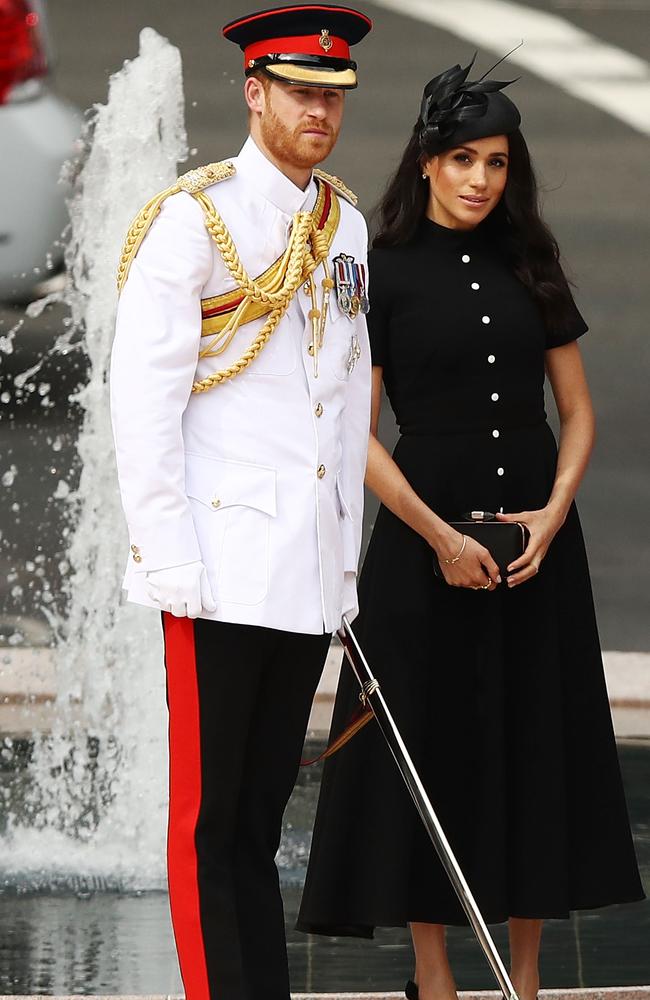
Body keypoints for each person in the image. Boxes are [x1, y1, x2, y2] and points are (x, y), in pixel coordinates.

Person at [297, 58, 645, 1000]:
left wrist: (555, 511)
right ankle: (435, 979)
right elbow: (353, 431)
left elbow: (575, 412)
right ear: (425, 163)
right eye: (460, 159)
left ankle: (524, 979)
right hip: (421, 541)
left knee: (539, 741)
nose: (479, 180)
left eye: (495, 162)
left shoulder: (532, 259)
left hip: (538, 543)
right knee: (426, 749)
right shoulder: (377, 267)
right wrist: (438, 536)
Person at [110, 6, 372, 999]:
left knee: (257, 823)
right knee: (206, 827)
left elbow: (341, 403)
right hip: (215, 569)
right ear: (254, 92)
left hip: (299, 573)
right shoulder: (194, 217)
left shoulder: (339, 222)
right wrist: (168, 558)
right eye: (301, 93)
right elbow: (145, 402)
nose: (319, 113)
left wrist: (340, 572)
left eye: (332, 97)